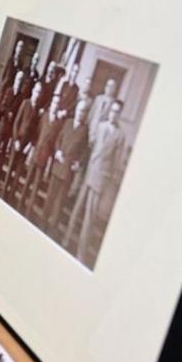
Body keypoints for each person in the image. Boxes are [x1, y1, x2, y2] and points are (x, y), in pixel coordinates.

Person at [67, 100, 129, 264]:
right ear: (109, 111)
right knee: (77, 208)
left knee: (90, 216)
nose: (113, 114)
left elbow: (116, 162)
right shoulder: (100, 126)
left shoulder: (120, 136)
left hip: (101, 177)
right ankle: (65, 239)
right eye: (112, 111)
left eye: (117, 112)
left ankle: (81, 252)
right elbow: (90, 147)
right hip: (89, 171)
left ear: (119, 114)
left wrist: (107, 177)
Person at [45, 98, 90, 238]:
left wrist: (79, 163)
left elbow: (84, 152)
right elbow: (58, 139)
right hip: (58, 164)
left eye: (83, 111)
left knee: (60, 203)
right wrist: (57, 151)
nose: (80, 113)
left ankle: (52, 230)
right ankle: (42, 222)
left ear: (85, 113)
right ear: (76, 110)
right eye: (79, 109)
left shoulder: (85, 131)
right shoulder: (68, 122)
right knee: (49, 199)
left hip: (68, 171)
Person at [17, 93, 64, 216]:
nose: (55, 106)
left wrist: (50, 163)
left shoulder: (59, 124)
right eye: (54, 103)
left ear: (59, 107)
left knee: (36, 186)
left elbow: (55, 145)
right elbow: (36, 134)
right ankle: (19, 206)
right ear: (51, 104)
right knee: (27, 182)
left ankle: (27, 212)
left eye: (57, 104)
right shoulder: (44, 116)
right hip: (35, 153)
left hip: (45, 158)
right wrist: (31, 147)